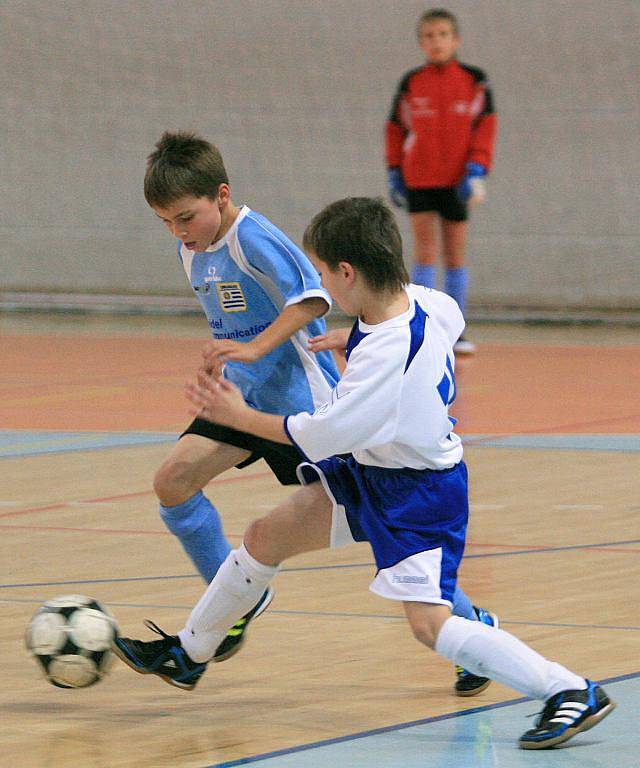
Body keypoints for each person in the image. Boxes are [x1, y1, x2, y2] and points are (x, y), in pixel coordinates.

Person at [114, 198, 615, 750]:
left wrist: (238, 416)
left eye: (325, 275)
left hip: (416, 496)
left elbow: (321, 435)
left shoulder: (384, 359)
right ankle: (189, 653)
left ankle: (570, 689)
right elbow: (443, 325)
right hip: (371, 474)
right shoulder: (426, 303)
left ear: (347, 273)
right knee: (264, 537)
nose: (323, 288)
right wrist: (351, 338)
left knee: (429, 627)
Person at [142, 131, 492, 680]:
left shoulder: (253, 238)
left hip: (298, 404)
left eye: (185, 217)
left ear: (223, 195)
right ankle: (231, 607)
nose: (177, 231)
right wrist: (230, 357)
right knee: (173, 482)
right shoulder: (193, 250)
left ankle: (474, 626)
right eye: (166, 222)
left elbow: (314, 296)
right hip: (241, 399)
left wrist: (258, 347)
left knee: (375, 519)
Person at [385, 8, 497, 355]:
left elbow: (486, 127)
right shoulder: (411, 83)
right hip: (419, 178)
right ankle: (423, 328)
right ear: (421, 42)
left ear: (456, 39)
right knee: (424, 253)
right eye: (429, 36)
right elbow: (395, 129)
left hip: (458, 181)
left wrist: (477, 168)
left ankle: (456, 330)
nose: (436, 41)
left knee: (455, 254)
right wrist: (394, 169)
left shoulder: (475, 81)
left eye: (443, 34)